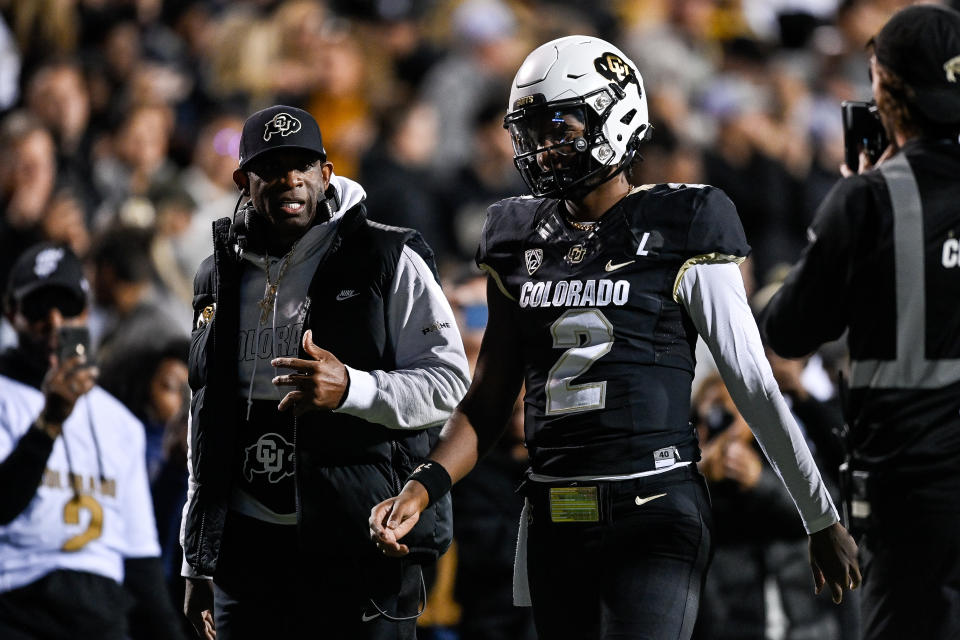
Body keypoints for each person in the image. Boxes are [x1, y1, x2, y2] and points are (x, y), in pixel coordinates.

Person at [370, 35, 860, 640]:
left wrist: (819, 514)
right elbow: (490, 395)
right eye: (533, 129)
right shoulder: (513, 232)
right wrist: (425, 484)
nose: (545, 144)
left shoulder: (685, 221)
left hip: (653, 509)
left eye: (560, 124)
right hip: (553, 511)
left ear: (617, 111)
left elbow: (753, 382)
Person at [180, 105, 470, 640]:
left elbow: (450, 382)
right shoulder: (216, 274)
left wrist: (353, 389)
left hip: (357, 543)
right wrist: (197, 559)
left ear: (327, 173)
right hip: (249, 554)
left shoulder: (386, 255)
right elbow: (206, 419)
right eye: (272, 168)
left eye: (303, 165)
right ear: (244, 180)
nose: (289, 180)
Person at [763, 6, 960, 639]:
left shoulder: (870, 199)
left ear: (887, 91)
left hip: (913, 485)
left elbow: (788, 331)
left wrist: (849, 209)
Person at [0, 243, 185, 640]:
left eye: (66, 308)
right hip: (15, 603)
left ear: (85, 311)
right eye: (37, 308)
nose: (54, 322)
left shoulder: (120, 422)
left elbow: (140, 560)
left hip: (101, 615)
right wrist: (48, 423)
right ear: (10, 313)